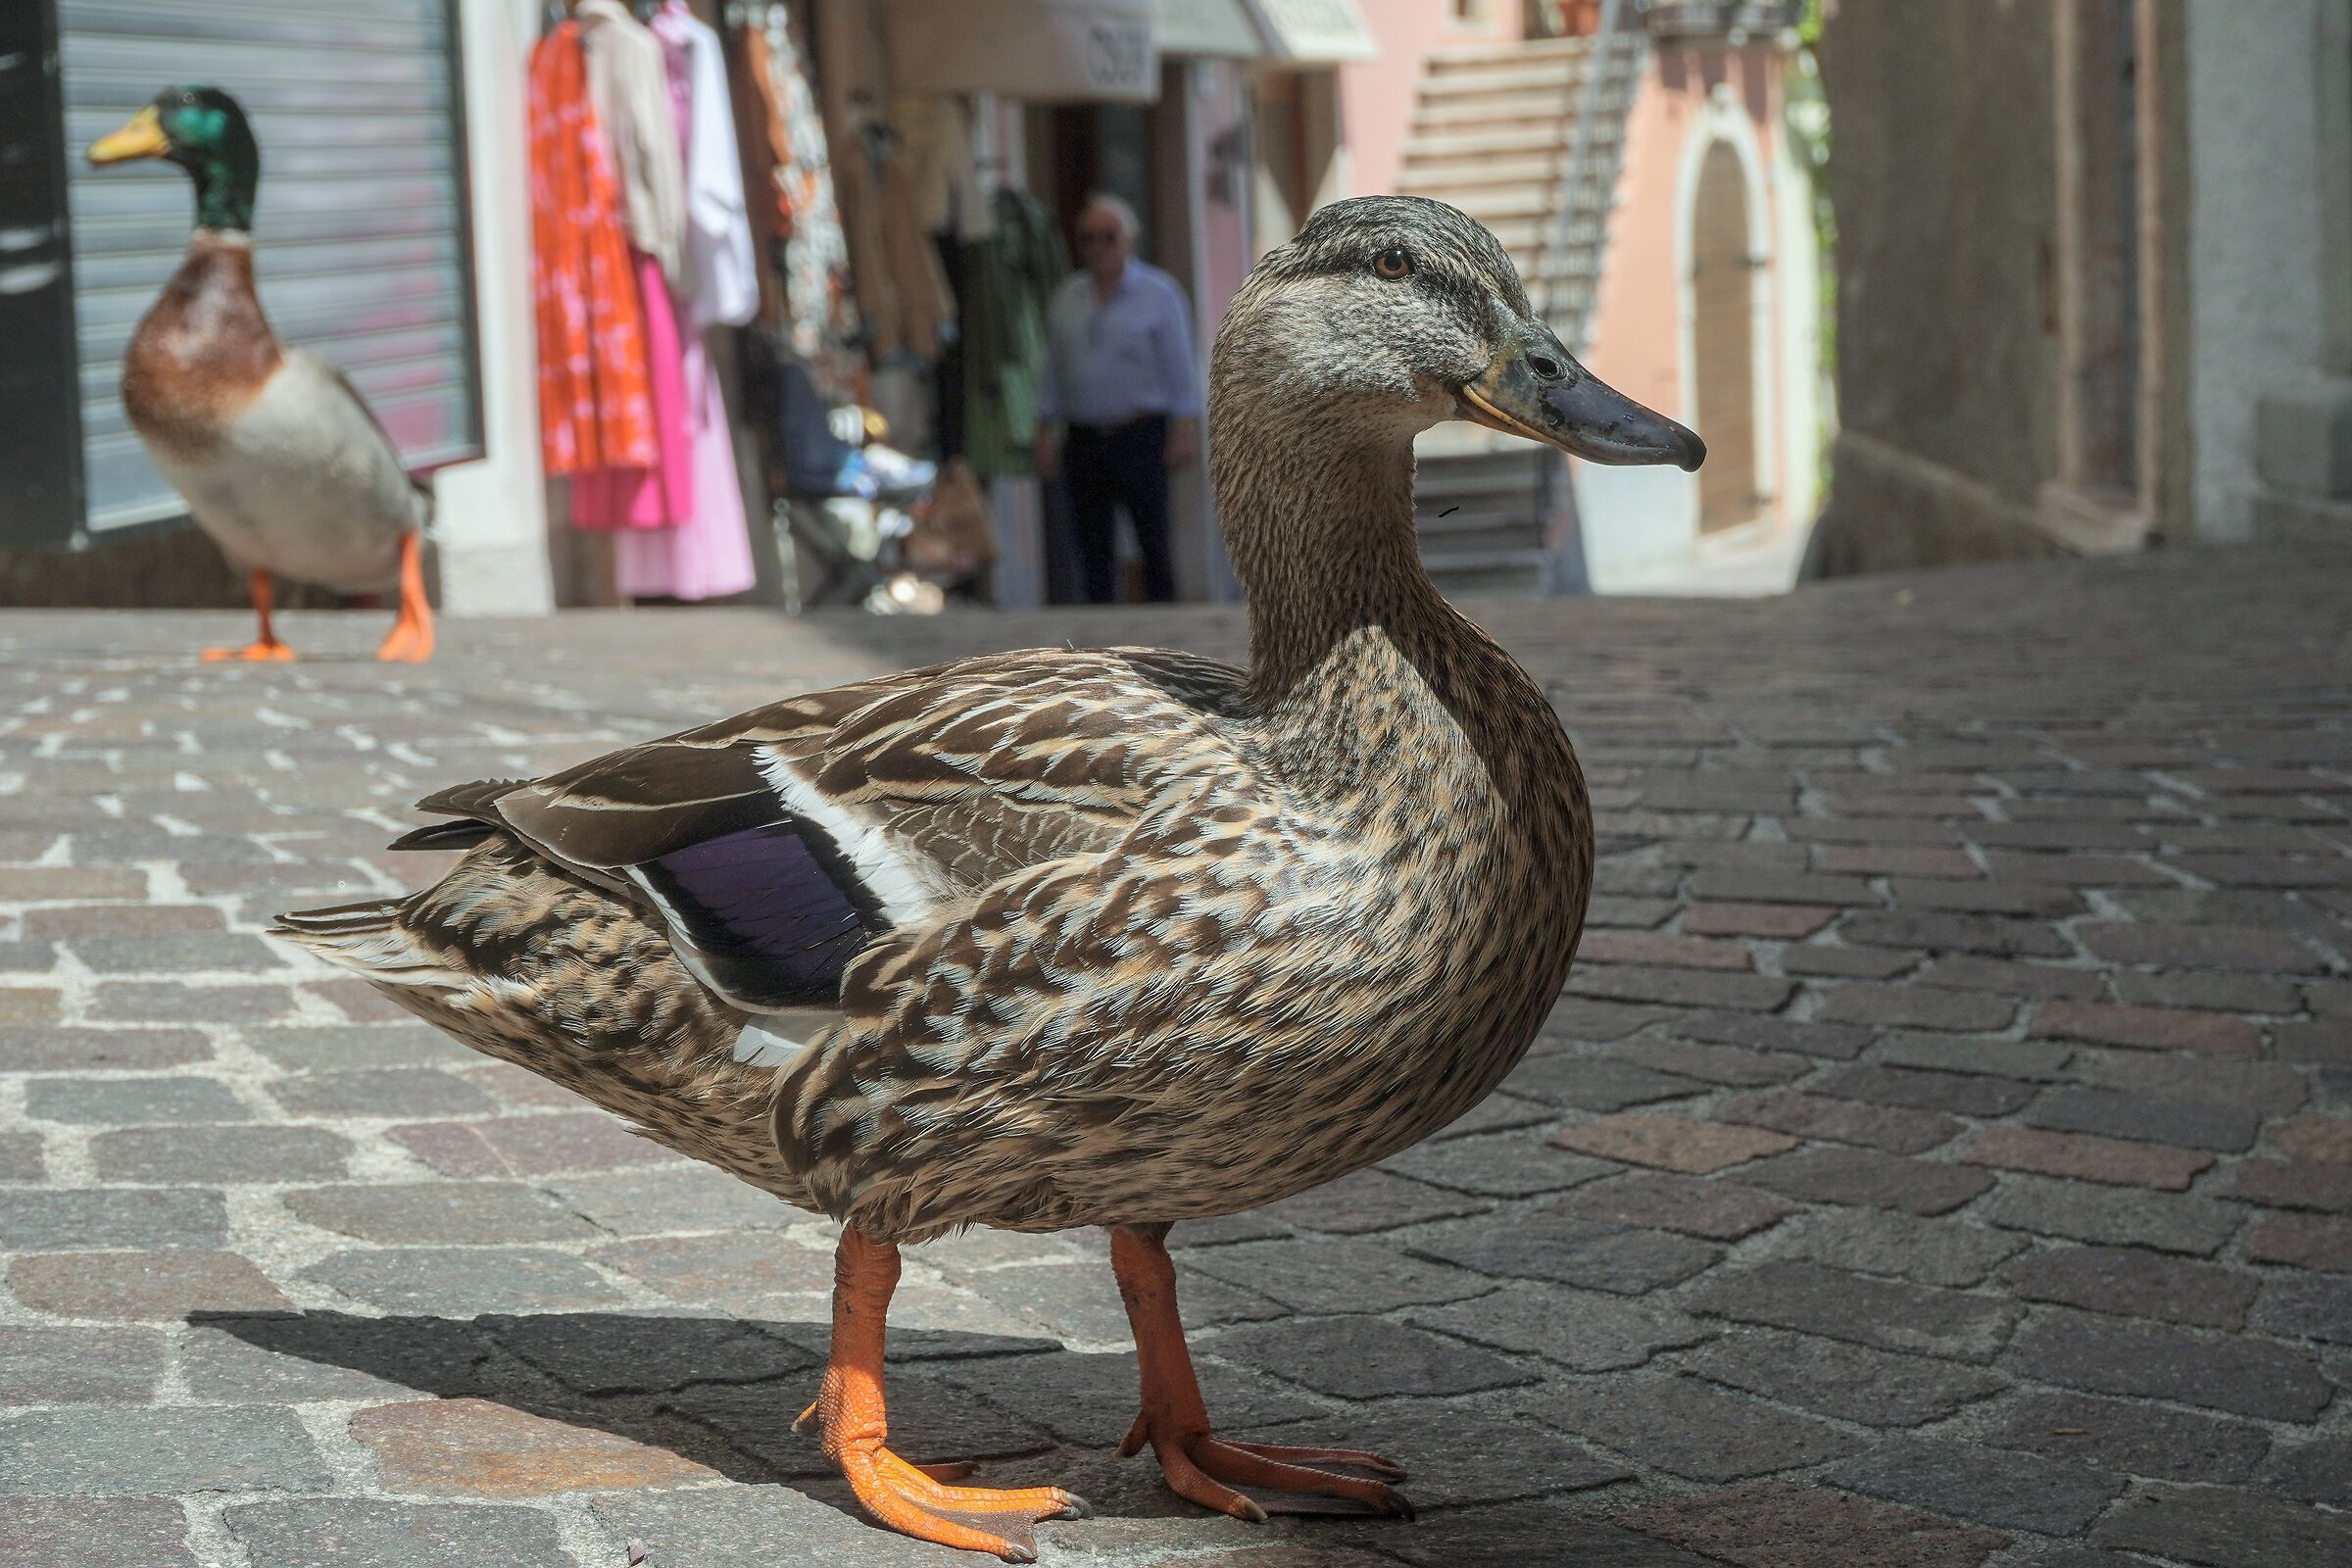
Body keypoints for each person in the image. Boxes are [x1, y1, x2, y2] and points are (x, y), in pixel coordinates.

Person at [1033, 193, 1202, 604]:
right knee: (1092, 547)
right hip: (1084, 436)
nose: (1098, 248)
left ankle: (1168, 634)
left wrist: (1185, 428)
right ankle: (1099, 642)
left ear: (1131, 240)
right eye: (1088, 238)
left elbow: (1179, 366)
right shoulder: (1066, 298)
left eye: (1108, 237)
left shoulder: (1160, 294)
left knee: (1153, 541)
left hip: (1140, 434)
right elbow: (1052, 370)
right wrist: (1042, 430)